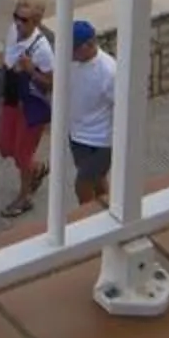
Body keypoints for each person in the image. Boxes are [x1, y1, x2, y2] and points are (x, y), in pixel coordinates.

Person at [0, 0, 55, 217]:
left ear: (36, 22)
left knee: (22, 154)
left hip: (29, 106)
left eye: (24, 20)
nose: (18, 23)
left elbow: (51, 83)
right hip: (11, 99)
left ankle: (24, 197)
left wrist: (31, 71)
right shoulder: (13, 30)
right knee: (4, 146)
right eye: (16, 16)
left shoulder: (42, 50)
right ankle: (36, 169)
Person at [60, 18, 118, 214]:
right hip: (76, 135)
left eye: (73, 49)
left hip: (100, 141)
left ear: (89, 45)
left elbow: (121, 105)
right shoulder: (72, 61)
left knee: (82, 184)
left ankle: (88, 221)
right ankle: (108, 212)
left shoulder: (109, 71)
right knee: (98, 180)